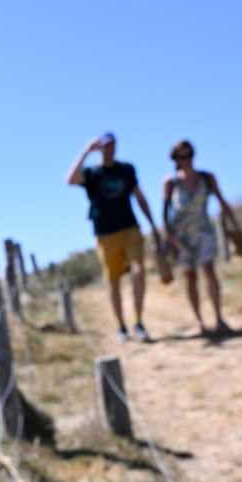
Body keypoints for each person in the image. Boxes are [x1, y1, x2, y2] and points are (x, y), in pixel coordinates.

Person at [66, 133, 162, 343]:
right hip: (105, 233)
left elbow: (140, 196)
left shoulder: (126, 170)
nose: (109, 149)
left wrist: (153, 225)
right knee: (113, 280)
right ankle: (121, 326)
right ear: (99, 148)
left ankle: (138, 322)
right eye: (105, 146)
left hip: (130, 228)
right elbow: (70, 179)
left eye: (112, 145)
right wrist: (85, 151)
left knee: (139, 270)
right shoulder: (92, 173)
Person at [162, 139, 242, 335]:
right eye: (182, 156)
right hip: (181, 235)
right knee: (190, 276)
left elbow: (222, 201)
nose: (187, 159)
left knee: (209, 270)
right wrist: (169, 237)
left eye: (189, 154)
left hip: (203, 230)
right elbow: (165, 213)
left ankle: (219, 318)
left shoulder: (206, 178)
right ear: (176, 159)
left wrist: (236, 227)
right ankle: (200, 322)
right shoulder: (170, 183)